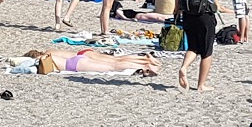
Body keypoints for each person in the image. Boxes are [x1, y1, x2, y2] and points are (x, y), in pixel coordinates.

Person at [175, 0, 225, 92]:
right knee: (207, 50)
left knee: (193, 46)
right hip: (205, 11)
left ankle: (184, 67)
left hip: (188, 11)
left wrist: (177, 8)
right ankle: (201, 84)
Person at [24, 47, 163, 75]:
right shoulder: (50, 50)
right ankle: (144, 59)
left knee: (114, 65)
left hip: (75, 63)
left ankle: (145, 64)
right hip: (81, 54)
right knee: (116, 60)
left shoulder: (45, 56)